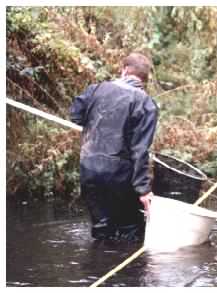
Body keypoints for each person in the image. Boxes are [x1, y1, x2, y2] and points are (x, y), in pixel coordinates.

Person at [70, 52, 158, 242]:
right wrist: (143, 190)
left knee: (101, 229)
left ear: (124, 70)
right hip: (120, 175)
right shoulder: (146, 104)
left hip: (89, 168)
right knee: (130, 232)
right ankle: (125, 269)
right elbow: (140, 150)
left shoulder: (96, 89)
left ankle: (97, 268)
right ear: (145, 78)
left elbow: (76, 116)